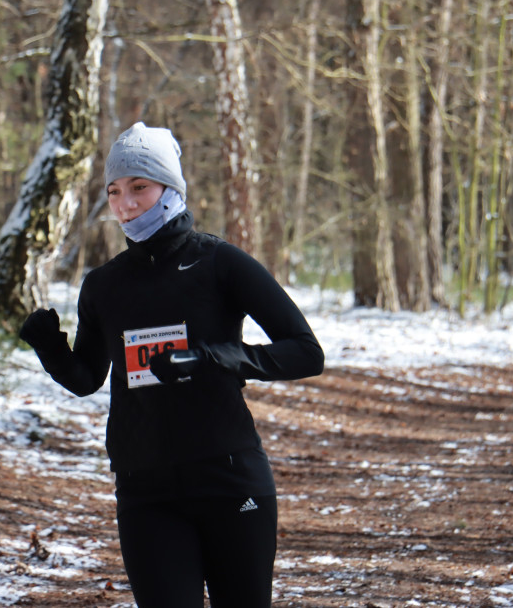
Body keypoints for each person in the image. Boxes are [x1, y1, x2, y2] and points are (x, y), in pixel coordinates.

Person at [18, 122, 324, 608]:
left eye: (140, 187)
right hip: (146, 492)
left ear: (170, 187)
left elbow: (306, 351)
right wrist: (50, 348)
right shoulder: (104, 285)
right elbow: (87, 378)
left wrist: (218, 358)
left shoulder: (220, 263)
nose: (126, 203)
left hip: (230, 480)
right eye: (115, 191)